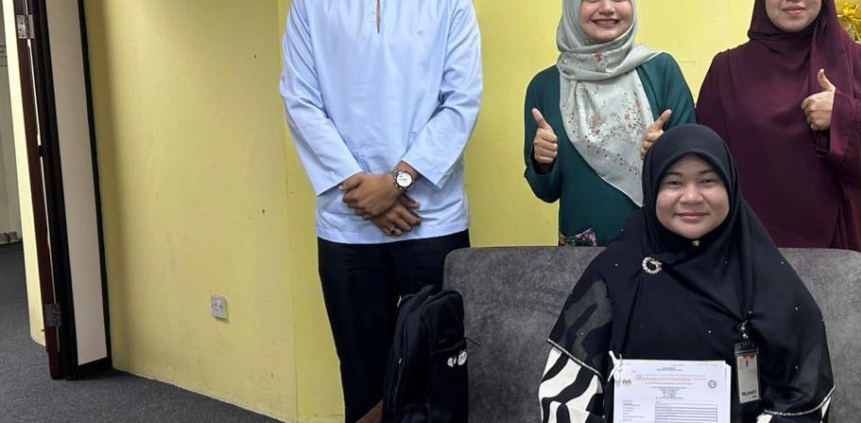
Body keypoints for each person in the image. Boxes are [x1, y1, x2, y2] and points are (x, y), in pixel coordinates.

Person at [539, 125, 834, 423]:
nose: (691, 197)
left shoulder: (766, 277)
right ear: (652, 188)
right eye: (674, 183)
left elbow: (804, 400)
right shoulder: (615, 271)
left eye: (708, 181)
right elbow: (562, 398)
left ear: (730, 186)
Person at [279, 0, 482, 420]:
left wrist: (396, 183)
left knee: (440, 375)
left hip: (432, 219)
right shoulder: (309, 6)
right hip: (346, 223)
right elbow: (300, 100)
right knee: (362, 378)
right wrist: (361, 189)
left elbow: (461, 100)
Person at [696, 0, 861, 352]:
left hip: (839, 238)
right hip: (748, 246)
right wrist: (664, 149)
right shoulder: (727, 69)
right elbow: (707, 161)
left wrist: (843, 116)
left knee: (841, 355)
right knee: (752, 362)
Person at [524, 0, 697, 247]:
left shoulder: (661, 71)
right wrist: (543, 162)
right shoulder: (546, 86)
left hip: (660, 248)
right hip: (582, 253)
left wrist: (666, 151)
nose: (607, 7)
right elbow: (546, 192)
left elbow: (694, 172)